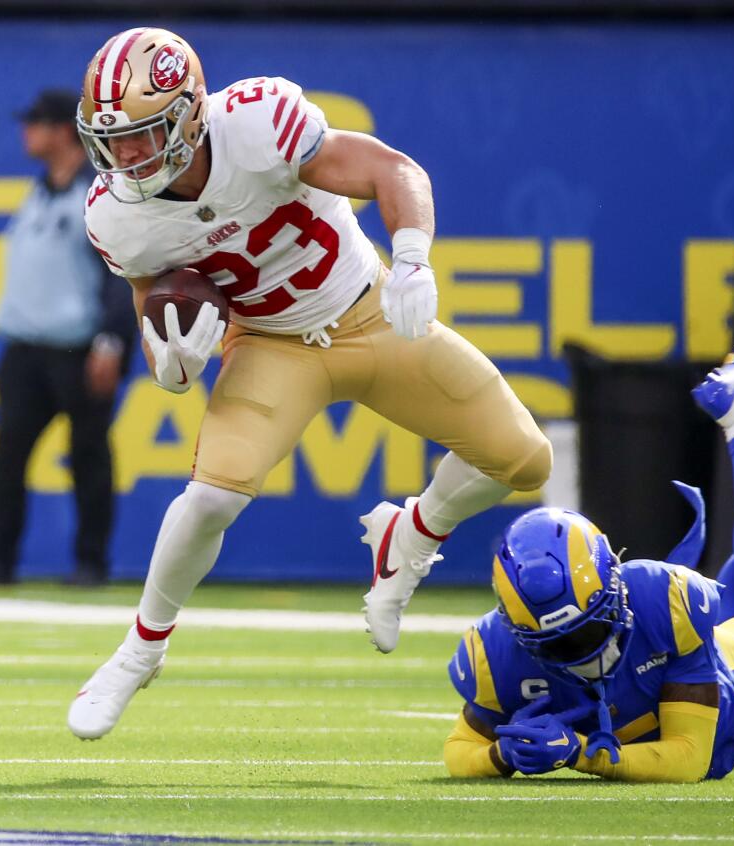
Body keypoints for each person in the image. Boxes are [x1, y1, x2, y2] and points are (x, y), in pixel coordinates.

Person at [66, 28, 552, 740]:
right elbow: (154, 303)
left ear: (190, 111)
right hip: (269, 347)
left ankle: (414, 533)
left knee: (524, 460)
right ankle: (141, 650)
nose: (126, 155)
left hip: (370, 312)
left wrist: (413, 258)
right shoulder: (115, 216)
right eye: (112, 138)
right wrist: (170, 361)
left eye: (144, 133)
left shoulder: (259, 122)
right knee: (207, 498)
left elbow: (393, 170)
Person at [443, 344, 734, 781]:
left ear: (616, 590)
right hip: (667, 649)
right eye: (559, 644)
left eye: (586, 630)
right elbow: (459, 748)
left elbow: (688, 756)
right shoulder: (498, 653)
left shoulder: (662, 602)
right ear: (519, 630)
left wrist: (577, 753)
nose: (581, 651)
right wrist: (499, 756)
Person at [0, 89, 135, 589]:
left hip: (79, 349)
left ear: (65, 130)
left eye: (36, 123)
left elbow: (122, 272)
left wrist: (112, 340)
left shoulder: (98, 196)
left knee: (88, 456)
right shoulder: (37, 193)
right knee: (6, 457)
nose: (26, 132)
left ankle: (91, 563)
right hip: (24, 350)